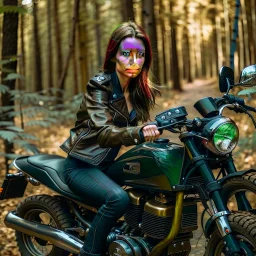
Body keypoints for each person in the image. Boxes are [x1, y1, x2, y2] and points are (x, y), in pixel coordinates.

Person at [60, 21, 160, 256]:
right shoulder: (99, 86)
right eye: (126, 54)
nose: (134, 61)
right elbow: (104, 133)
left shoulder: (137, 90)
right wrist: (138, 132)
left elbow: (137, 128)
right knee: (118, 199)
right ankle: (90, 252)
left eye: (140, 55)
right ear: (114, 54)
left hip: (106, 165)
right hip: (81, 165)